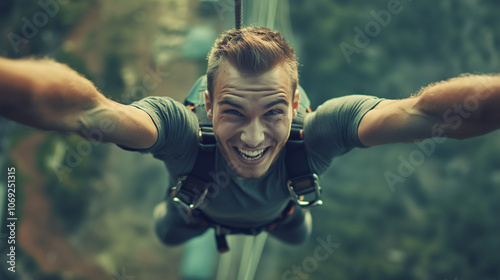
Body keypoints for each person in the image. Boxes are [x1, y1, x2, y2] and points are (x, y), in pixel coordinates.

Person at [1, 27, 499, 248]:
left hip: (282, 216)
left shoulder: (319, 131)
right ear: (209, 105)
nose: (255, 137)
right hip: (192, 214)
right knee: (167, 231)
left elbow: (426, 114)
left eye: (274, 112)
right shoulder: (180, 130)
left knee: (296, 231)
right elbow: (86, 110)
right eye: (234, 112)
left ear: (298, 105)